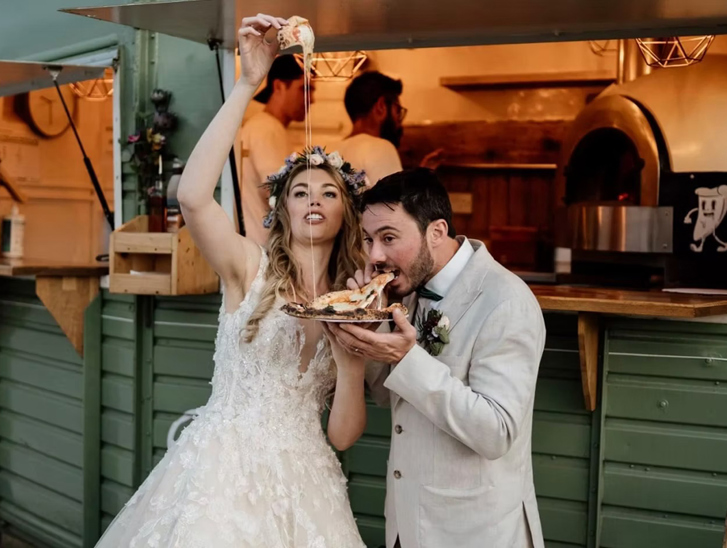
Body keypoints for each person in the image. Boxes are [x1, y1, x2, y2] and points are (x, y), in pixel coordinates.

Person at [94, 14, 367, 547]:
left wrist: (353, 363)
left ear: (345, 214)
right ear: (282, 209)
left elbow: (342, 435)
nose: (315, 198)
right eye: (301, 191)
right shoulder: (248, 267)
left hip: (307, 485)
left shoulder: (356, 299)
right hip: (223, 474)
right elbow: (193, 198)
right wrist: (247, 84)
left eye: (330, 193)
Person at [325, 168, 547, 548]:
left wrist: (409, 358)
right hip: (406, 524)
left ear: (437, 232)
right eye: (369, 239)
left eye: (389, 238)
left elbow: (496, 433)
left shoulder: (506, 301)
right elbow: (386, 395)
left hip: (473, 532)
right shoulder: (405, 290)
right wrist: (368, 327)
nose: (375, 255)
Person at [239, 53, 314, 245]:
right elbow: (276, 191)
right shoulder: (266, 128)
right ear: (279, 86)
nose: (311, 99)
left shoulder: (268, 127)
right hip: (264, 247)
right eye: (304, 89)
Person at [335, 71, 441, 187]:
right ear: (381, 106)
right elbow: (396, 204)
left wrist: (421, 175)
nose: (398, 121)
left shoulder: (332, 150)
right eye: (397, 111)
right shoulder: (380, 147)